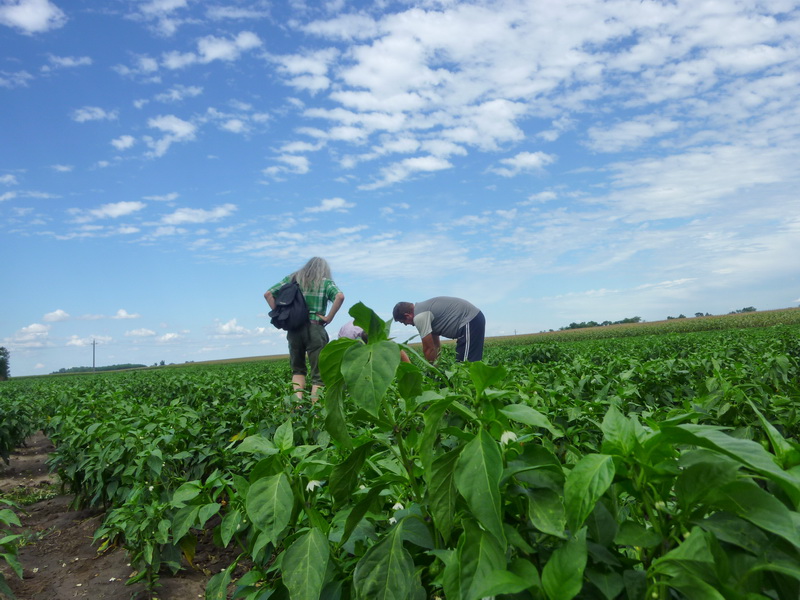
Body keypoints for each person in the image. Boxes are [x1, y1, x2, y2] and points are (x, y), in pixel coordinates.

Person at [265, 257, 344, 402]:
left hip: (294, 329)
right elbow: (339, 296)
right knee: (319, 374)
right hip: (316, 328)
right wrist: (329, 318)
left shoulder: (293, 278)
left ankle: (297, 406)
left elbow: (268, 294)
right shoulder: (325, 282)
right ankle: (316, 411)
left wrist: (281, 315)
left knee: (298, 369)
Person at [393, 297, 485, 363]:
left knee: (466, 365)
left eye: (403, 322)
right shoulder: (425, 312)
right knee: (461, 363)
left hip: (470, 320)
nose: (406, 325)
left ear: (407, 315)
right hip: (470, 321)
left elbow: (428, 348)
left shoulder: (420, 317)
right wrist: (438, 367)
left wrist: (432, 372)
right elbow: (435, 345)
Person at [338, 320, 411, 362]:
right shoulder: (348, 335)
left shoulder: (378, 333)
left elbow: (397, 349)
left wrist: (409, 370)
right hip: (348, 339)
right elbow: (345, 358)